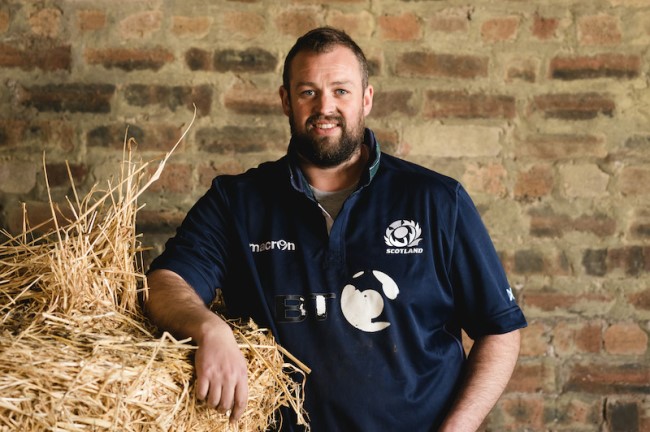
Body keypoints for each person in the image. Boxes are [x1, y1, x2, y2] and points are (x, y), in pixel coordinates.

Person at [145, 26, 527, 432]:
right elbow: (165, 284)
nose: (325, 106)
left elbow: (500, 330)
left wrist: (457, 428)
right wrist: (209, 329)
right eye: (308, 92)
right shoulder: (236, 202)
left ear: (366, 99)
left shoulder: (437, 200)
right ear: (286, 101)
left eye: (341, 91)